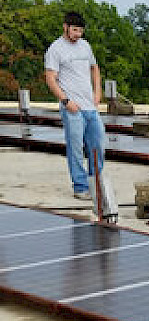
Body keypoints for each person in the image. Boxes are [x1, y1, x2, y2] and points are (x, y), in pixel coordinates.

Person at [44, 11, 104, 200]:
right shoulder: (55, 49)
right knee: (76, 148)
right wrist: (65, 101)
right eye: (75, 30)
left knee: (98, 145)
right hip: (72, 108)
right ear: (66, 27)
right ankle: (80, 187)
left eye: (81, 31)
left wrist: (98, 92)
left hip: (90, 107)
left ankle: (96, 182)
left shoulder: (85, 46)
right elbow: (50, 79)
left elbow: (95, 68)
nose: (78, 34)